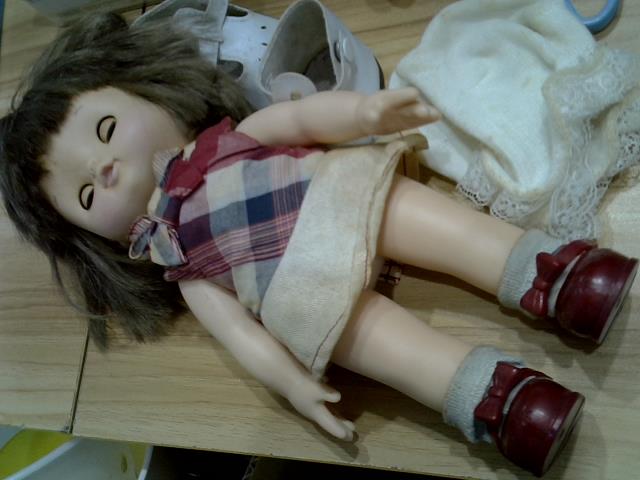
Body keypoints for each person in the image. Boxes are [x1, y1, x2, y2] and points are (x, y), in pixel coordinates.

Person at [0, 13, 636, 477]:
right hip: (302, 289)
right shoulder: (179, 261)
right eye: (86, 193)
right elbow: (241, 337)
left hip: (340, 194)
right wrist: (293, 386)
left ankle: (553, 273)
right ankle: (499, 400)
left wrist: (365, 114)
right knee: (390, 349)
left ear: (147, 89)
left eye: (106, 129)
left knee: (434, 222)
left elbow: (299, 120)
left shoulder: (226, 140)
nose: (105, 167)